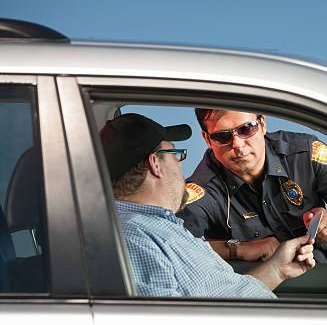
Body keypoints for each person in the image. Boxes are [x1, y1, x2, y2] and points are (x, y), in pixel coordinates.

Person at [100, 113, 315, 299]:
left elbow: (223, 295)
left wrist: (278, 270)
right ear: (155, 164)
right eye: (176, 155)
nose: (181, 164)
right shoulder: (135, 240)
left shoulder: (161, 229)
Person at [177, 109, 327, 263]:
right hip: (257, 301)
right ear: (207, 139)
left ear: (262, 123)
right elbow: (171, 247)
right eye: (223, 136)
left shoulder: (304, 154)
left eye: (246, 129)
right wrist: (239, 250)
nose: (238, 145)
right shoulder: (200, 190)